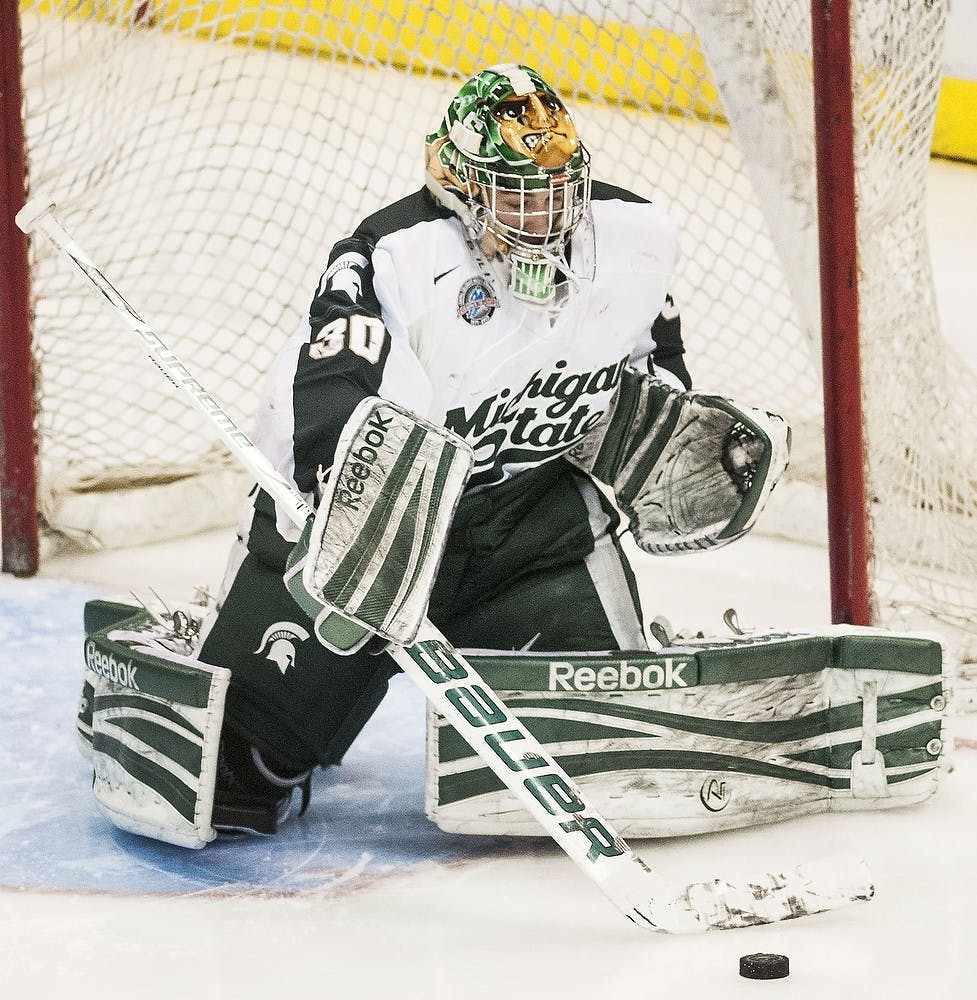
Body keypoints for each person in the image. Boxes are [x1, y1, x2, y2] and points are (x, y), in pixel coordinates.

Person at [192, 63, 739, 835]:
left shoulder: (635, 242)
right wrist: (344, 511)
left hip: (528, 529)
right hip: (370, 524)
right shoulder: (395, 257)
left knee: (597, 767)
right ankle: (270, 707)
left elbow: (655, 363)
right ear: (457, 184)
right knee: (237, 782)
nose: (543, 217)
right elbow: (323, 397)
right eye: (516, 194)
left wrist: (671, 429)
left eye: (556, 193)